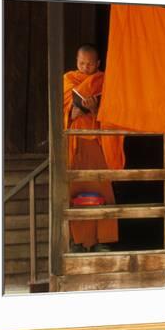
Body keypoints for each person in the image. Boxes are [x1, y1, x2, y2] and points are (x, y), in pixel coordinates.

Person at [63, 44, 123, 253]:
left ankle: (102, 240)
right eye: (81, 63)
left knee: (102, 191)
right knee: (75, 191)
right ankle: (77, 241)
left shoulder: (105, 81)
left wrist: (96, 109)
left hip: (98, 144)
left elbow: (115, 111)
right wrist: (72, 114)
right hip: (76, 144)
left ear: (98, 64)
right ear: (76, 61)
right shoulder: (68, 80)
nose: (85, 67)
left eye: (89, 64)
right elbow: (61, 111)